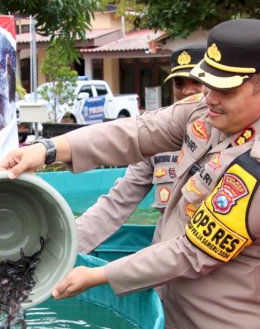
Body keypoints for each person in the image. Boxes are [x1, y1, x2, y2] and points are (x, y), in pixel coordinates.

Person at [0, 19, 260, 329]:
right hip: (180, 324)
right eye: (207, 84)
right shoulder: (206, 115)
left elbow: (191, 251)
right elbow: (137, 132)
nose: (210, 99)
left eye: (226, 90)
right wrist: (48, 149)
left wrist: (99, 276)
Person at [76, 46, 206, 253]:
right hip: (164, 256)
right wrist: (67, 244)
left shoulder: (229, 134)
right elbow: (118, 202)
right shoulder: (156, 138)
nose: (187, 91)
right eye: (179, 83)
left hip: (212, 261)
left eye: (197, 82)